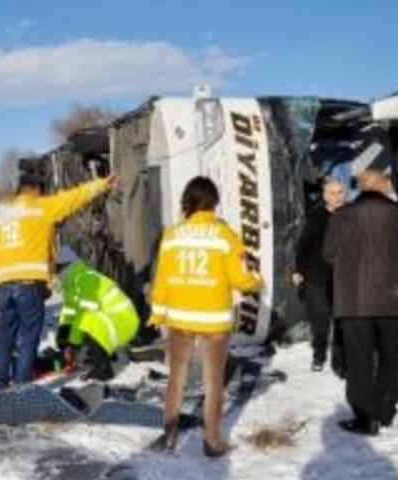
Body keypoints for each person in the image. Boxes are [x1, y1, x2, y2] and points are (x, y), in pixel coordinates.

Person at [149, 176, 261, 457]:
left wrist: (157, 314)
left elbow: (161, 280)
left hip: (179, 318)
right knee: (213, 381)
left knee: (176, 378)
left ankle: (170, 436)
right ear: (214, 203)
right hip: (214, 321)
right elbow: (242, 280)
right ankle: (212, 441)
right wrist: (256, 279)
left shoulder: (172, 234)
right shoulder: (225, 235)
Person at [0, 171, 117, 390]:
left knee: (5, 338)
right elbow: (74, 197)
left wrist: (1, 275)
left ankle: (0, 386)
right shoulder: (41, 207)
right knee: (28, 339)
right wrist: (103, 184)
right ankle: (22, 389)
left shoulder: (2, 216)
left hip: (4, 287)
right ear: (36, 190)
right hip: (29, 285)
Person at [323, 169, 398, 436]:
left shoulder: (343, 216)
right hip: (393, 298)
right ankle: (386, 410)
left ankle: (367, 418)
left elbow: (328, 253)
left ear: (363, 187)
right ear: (383, 185)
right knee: (390, 357)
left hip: (355, 301)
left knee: (359, 360)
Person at [54, 245, 139, 381]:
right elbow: (68, 316)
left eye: (58, 268)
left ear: (67, 265)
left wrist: (74, 344)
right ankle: (97, 354)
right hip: (110, 320)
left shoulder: (87, 278)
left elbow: (86, 314)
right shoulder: (71, 286)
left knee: (87, 321)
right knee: (82, 323)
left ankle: (103, 369)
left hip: (123, 321)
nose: (56, 273)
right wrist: (63, 343)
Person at [292, 177, 346, 371]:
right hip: (318, 277)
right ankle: (319, 354)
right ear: (325, 196)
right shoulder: (316, 216)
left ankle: (340, 362)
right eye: (332, 193)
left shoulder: (351, 216)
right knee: (320, 321)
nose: (337, 197)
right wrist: (298, 270)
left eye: (340, 192)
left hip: (344, 277)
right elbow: (303, 246)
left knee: (342, 321)